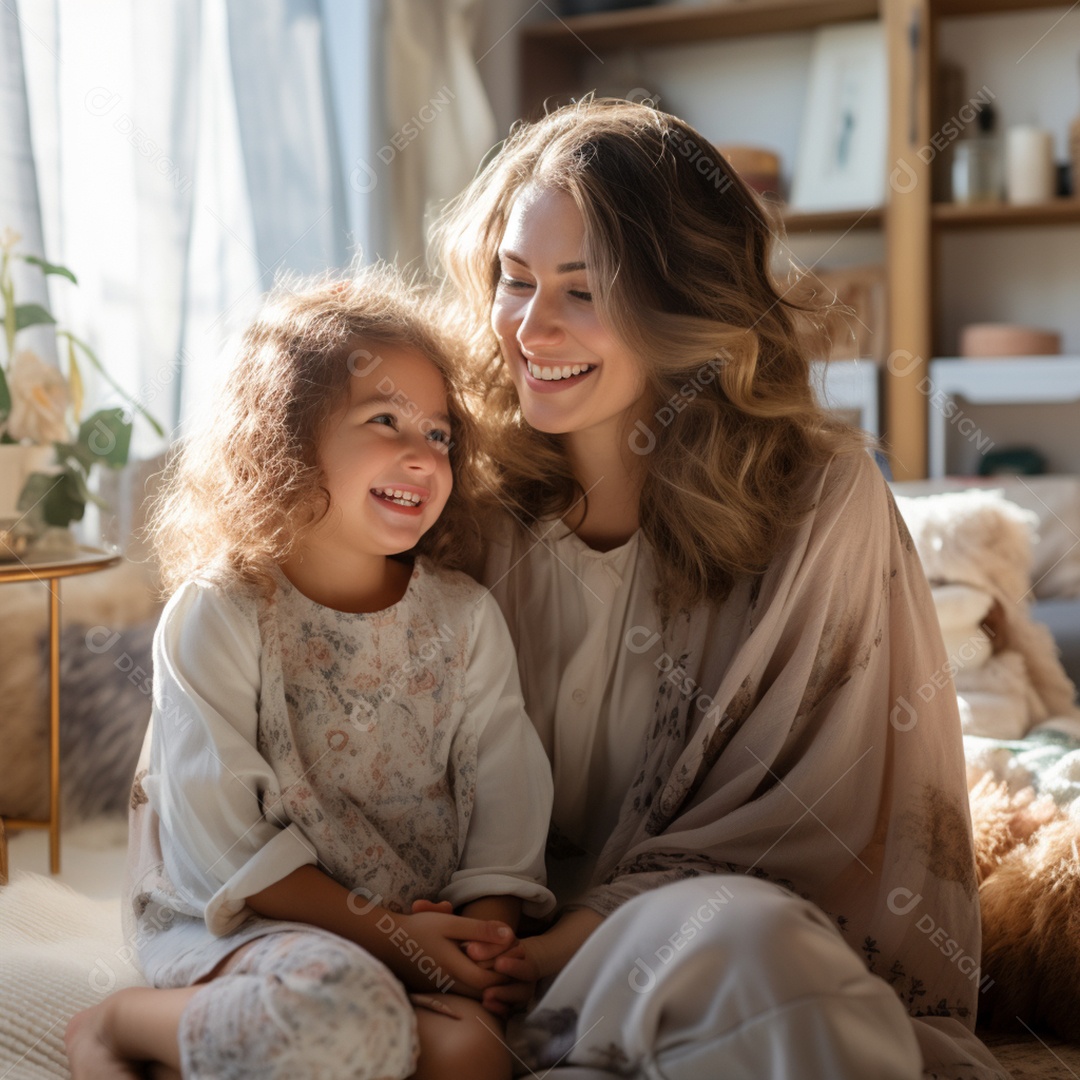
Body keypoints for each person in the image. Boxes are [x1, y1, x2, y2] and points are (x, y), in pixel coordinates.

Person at [428, 98, 1009, 1078]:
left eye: (584, 288)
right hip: (473, 968)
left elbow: (797, 834)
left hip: (685, 946)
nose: (531, 326)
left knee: (752, 950)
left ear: (682, 299)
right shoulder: (455, 492)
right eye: (514, 281)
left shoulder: (820, 498)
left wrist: (552, 950)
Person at [64, 265, 555, 1080]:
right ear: (285, 437)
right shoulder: (221, 610)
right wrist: (391, 939)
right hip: (247, 920)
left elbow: (505, 796)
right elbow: (219, 841)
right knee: (340, 1008)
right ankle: (118, 1025)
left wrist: (481, 940)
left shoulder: (465, 618)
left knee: (476, 1053)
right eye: (385, 420)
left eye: (437, 434)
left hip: (410, 927)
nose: (420, 454)